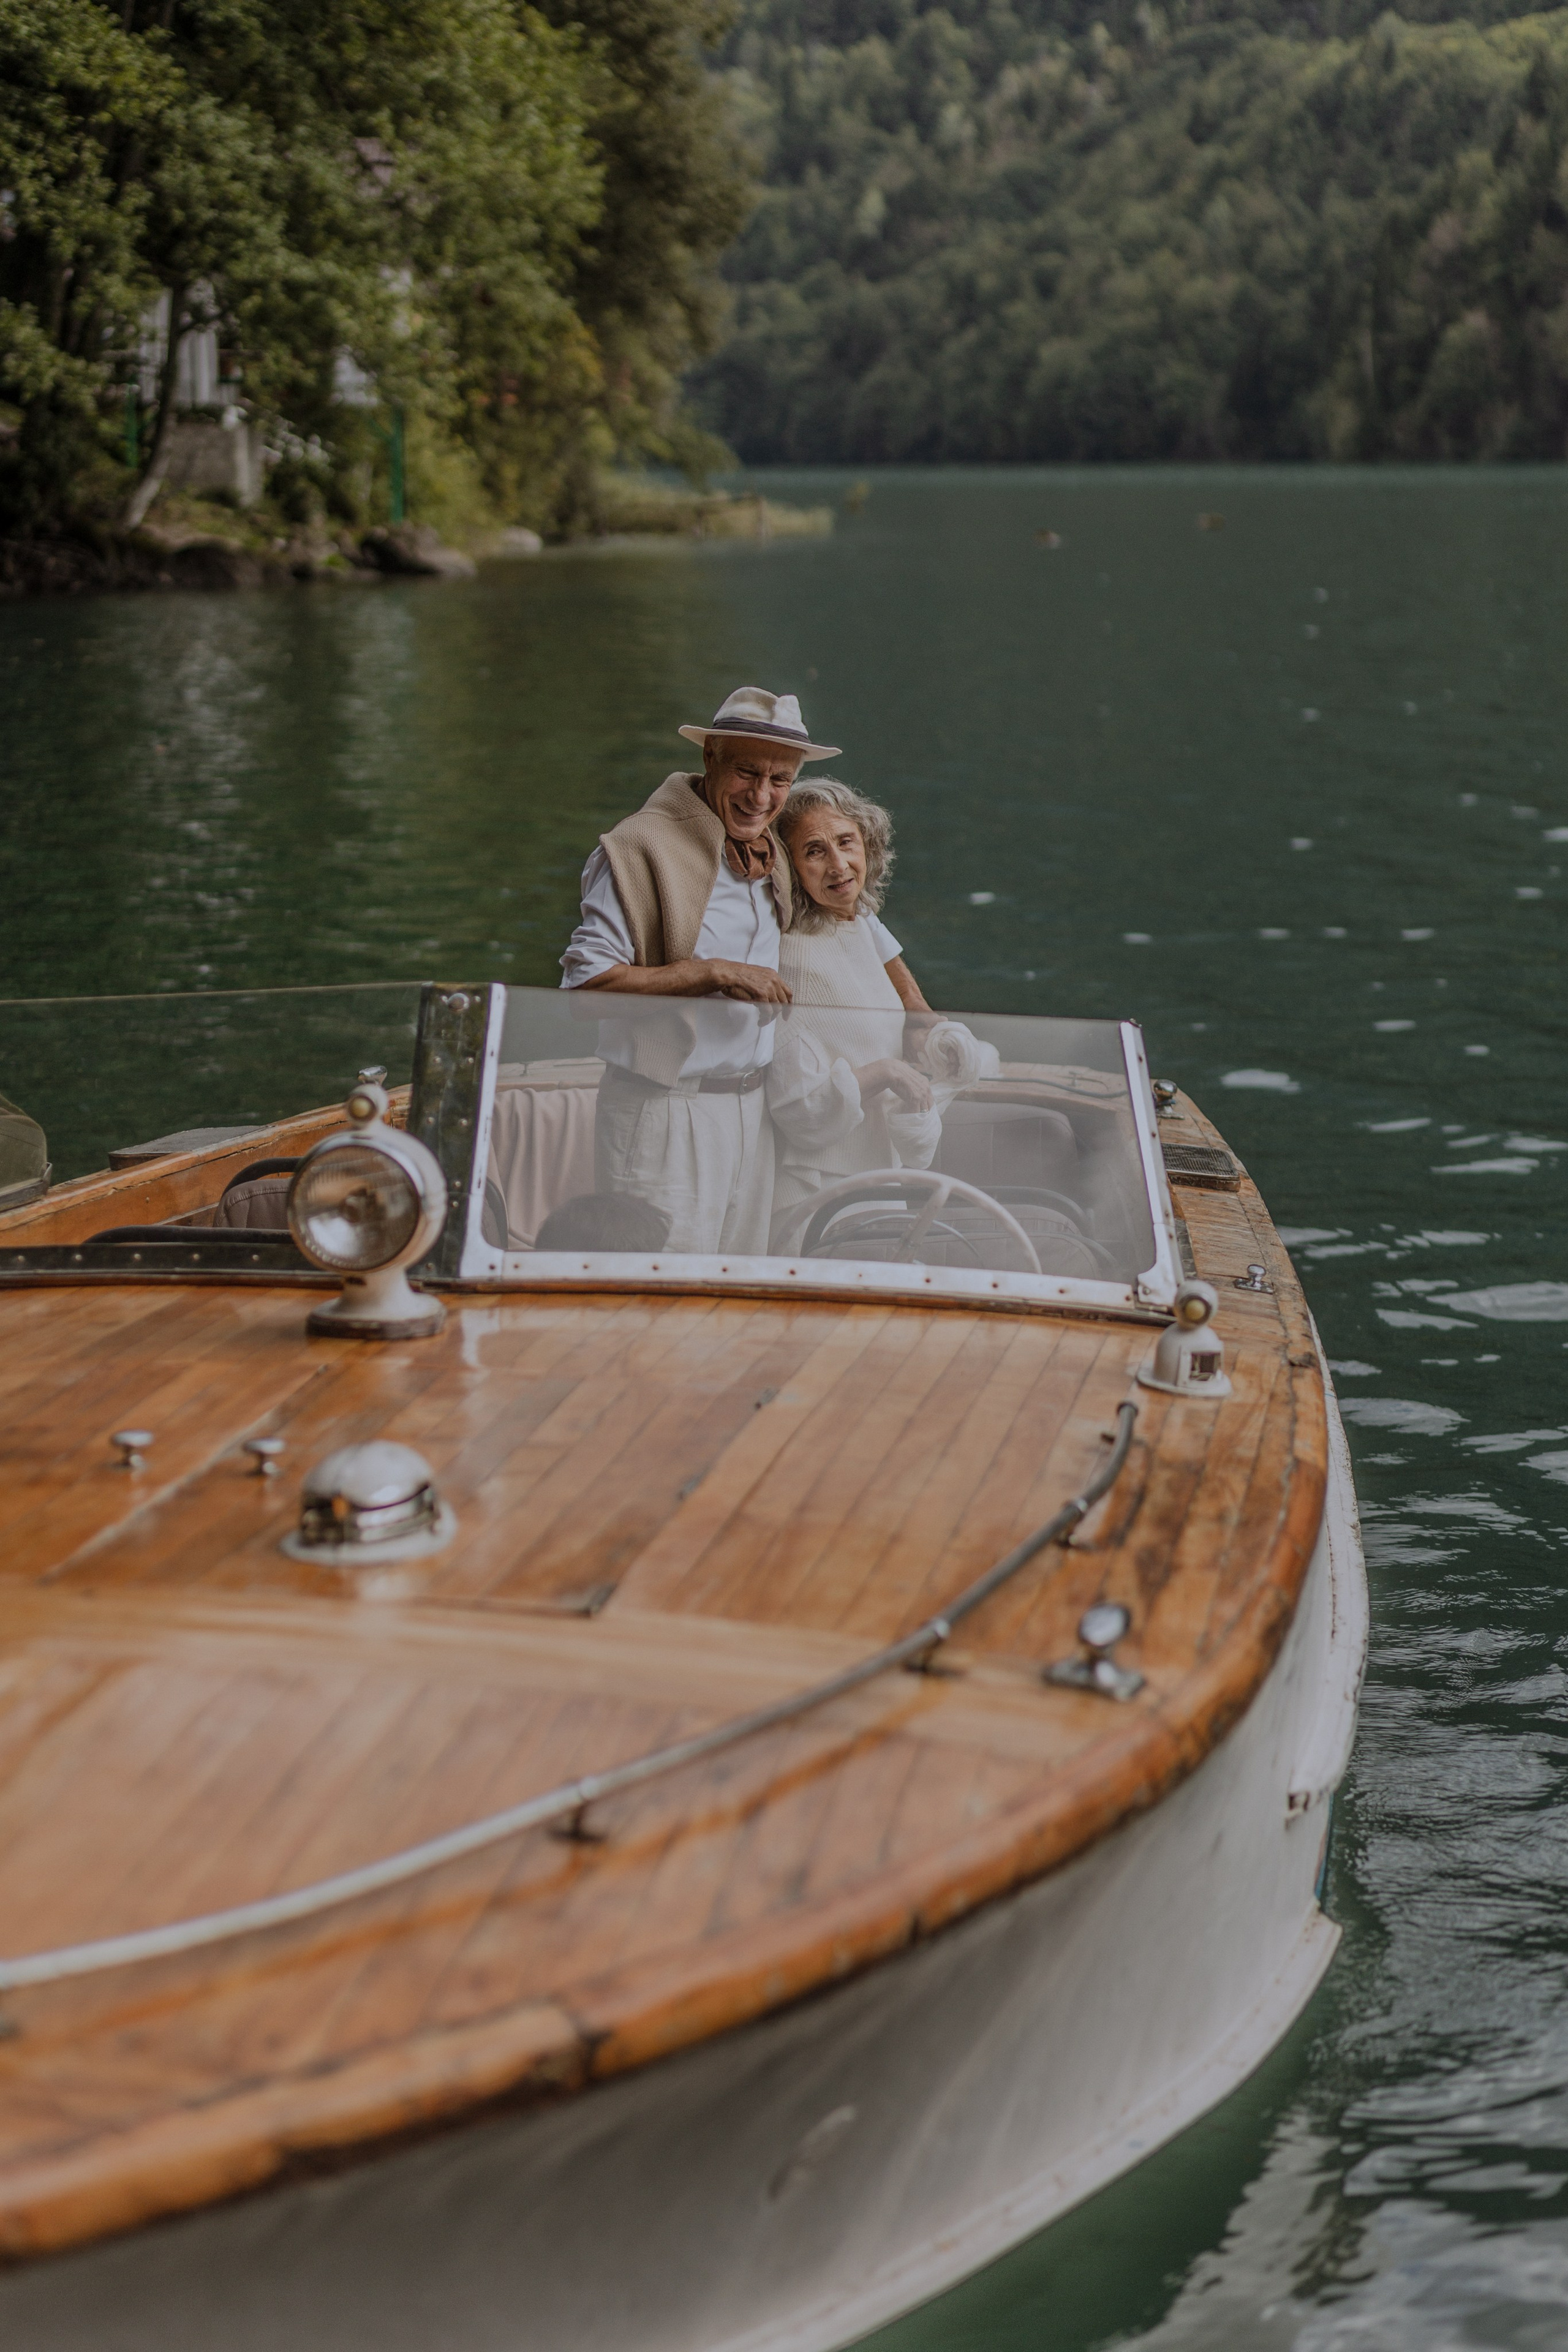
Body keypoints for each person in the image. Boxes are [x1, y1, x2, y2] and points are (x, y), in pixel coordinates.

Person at [559, 685, 837, 1254]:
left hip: (754, 1115)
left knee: (733, 1307)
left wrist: (917, 1007)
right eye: (746, 772)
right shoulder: (640, 847)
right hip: (664, 1115)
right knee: (659, 1304)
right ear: (709, 757)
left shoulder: (772, 850)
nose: (761, 795)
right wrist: (710, 973)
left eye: (780, 780)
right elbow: (585, 990)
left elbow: (853, 903)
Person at [766, 778, 957, 1252]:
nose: (838, 865)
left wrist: (917, 1027)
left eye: (846, 842)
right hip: (818, 1201)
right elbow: (799, 1110)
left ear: (866, 844)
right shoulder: (792, 959)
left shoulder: (852, 921)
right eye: (814, 851)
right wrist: (888, 1072)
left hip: (871, 1186)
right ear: (790, 868)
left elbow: (875, 937)